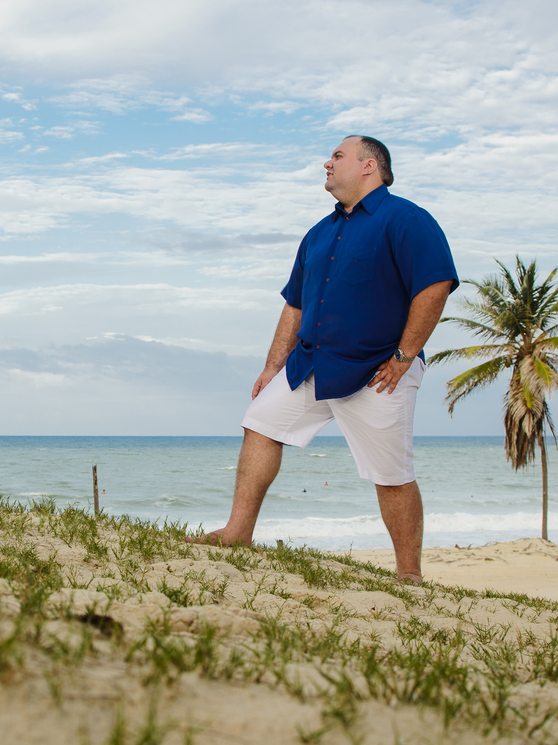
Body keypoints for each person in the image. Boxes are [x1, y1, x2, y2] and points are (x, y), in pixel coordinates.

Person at [190, 136, 457, 583]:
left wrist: (404, 356)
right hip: (311, 364)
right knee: (260, 423)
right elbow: (294, 305)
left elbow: (435, 285)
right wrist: (273, 366)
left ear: (369, 166)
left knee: (391, 473)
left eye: (337, 156)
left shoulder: (408, 219)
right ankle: (238, 532)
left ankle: (408, 573)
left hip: (377, 370)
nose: (327, 164)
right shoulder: (317, 232)